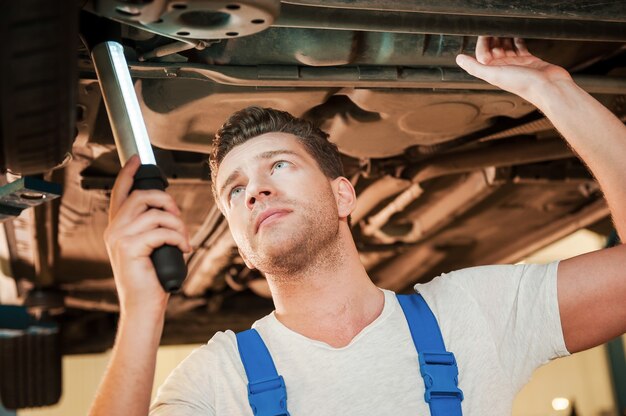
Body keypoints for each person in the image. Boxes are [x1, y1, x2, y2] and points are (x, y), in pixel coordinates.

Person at [89, 37, 626, 415]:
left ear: (342, 193)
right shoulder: (215, 381)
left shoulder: (474, 312)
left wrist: (556, 90)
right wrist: (141, 311)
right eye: (235, 190)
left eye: (279, 164)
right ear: (241, 245)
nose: (254, 189)